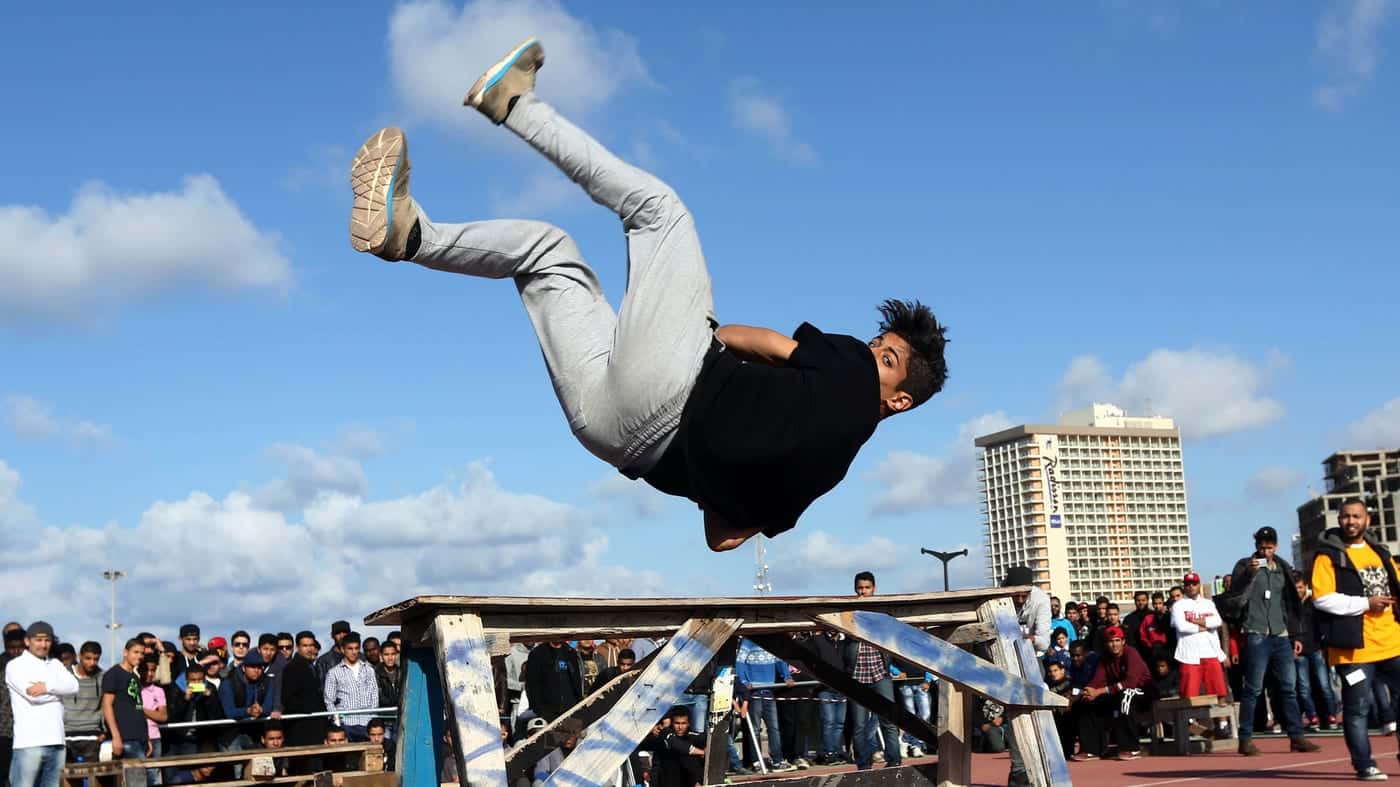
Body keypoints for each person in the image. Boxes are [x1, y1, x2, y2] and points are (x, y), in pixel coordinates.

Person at [346, 37, 949, 555]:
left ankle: (513, 105)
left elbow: (761, 341)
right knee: (544, 253)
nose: (872, 352)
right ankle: (411, 235)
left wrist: (703, 333)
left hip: (675, 385)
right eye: (878, 345)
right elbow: (721, 538)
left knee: (660, 213)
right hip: (611, 439)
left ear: (896, 400)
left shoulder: (847, 372)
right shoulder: (816, 484)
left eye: (887, 357)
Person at [1311, 497, 1400, 781]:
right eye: (1346, 516)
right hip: (1354, 650)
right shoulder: (1328, 555)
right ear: (1339, 520)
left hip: (1392, 642)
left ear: (1367, 520)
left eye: (1356, 516)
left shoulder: (1380, 552)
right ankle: (1365, 764)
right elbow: (1322, 598)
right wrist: (1365, 603)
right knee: (1357, 709)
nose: (1351, 521)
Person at [1229, 526, 1319, 756]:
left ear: (1276, 546)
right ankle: (1245, 738)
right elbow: (1234, 596)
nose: (1265, 551)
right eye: (1261, 547)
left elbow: (1290, 603)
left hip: (1280, 634)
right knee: (1253, 688)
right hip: (1256, 632)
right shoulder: (1245, 565)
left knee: (1289, 688)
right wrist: (1248, 574)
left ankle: (1297, 736)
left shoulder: (1283, 568)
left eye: (1269, 547)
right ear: (1256, 546)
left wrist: (1295, 635)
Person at [5, 622, 79, 787]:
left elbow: (74, 687)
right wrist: (60, 693)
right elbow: (34, 698)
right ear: (27, 641)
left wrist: (46, 687)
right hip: (29, 743)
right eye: (38, 640)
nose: (43, 644)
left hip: (57, 741)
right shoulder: (15, 666)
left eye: (47, 640)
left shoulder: (56, 664)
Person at [1003, 566, 1049, 787]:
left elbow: (1044, 641)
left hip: (1032, 660)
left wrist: (1024, 638)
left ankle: (1042, 766)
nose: (1020, 600)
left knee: (1037, 714)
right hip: (1006, 659)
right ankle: (1019, 771)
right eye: (1016, 595)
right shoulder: (1000, 597)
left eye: (1024, 595)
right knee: (1015, 716)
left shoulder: (1041, 600)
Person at [1079, 627, 1149, 761]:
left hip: (1142, 692)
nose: (1114, 644)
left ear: (1123, 641)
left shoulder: (1131, 653)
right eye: (1111, 641)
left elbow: (1131, 682)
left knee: (1125, 698)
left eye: (1117, 640)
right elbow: (1097, 680)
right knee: (1086, 702)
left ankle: (1131, 748)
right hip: (1118, 691)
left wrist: (1099, 691)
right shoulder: (1105, 658)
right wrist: (1088, 690)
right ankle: (1091, 750)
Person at [103, 638, 152, 785]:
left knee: (140, 781)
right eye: (135, 652)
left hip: (140, 738)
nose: (139, 656)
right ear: (125, 652)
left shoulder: (135, 676)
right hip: (126, 738)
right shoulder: (114, 674)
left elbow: (136, 706)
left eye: (142, 653)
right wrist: (116, 736)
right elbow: (107, 705)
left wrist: (146, 736)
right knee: (137, 783)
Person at [1172, 572, 1227, 699]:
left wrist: (1196, 622)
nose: (1191, 587)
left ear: (1199, 585)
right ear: (1184, 586)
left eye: (1194, 584)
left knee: (1219, 692)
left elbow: (1217, 622)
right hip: (1189, 655)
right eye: (1188, 584)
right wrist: (1205, 626)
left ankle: (1222, 720)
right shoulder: (1178, 605)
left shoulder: (1208, 604)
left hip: (1211, 652)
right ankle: (1191, 719)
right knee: (1189, 695)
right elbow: (1182, 626)